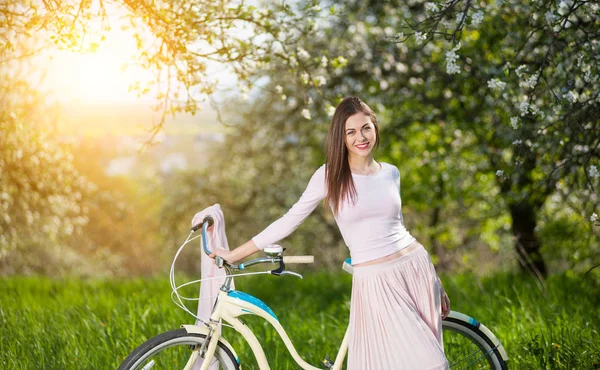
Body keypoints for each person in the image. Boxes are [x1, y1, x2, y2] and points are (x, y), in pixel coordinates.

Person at [211, 96, 450, 369]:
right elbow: (289, 221)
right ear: (341, 137)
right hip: (376, 281)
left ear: (375, 128)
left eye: (366, 128)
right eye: (351, 132)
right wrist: (235, 254)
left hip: (416, 268)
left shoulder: (391, 173)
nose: (361, 137)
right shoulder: (329, 177)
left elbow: (398, 226)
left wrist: (435, 279)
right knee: (429, 363)